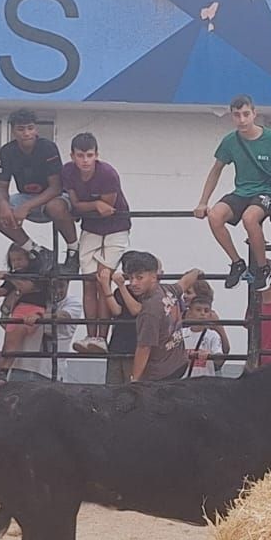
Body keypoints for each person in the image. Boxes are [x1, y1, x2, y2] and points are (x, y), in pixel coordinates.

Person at [195, 94, 271, 290]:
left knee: (250, 218)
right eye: (237, 115)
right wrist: (203, 201)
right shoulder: (230, 141)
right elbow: (216, 169)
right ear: (232, 116)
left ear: (255, 114)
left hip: (270, 191)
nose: (242, 120)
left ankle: (262, 267)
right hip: (243, 191)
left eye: (246, 114)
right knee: (215, 216)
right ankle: (237, 262)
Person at [63, 132, 133, 355]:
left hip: (116, 226)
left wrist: (87, 206)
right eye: (80, 155)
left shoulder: (108, 174)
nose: (85, 160)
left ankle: (102, 338)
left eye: (89, 155)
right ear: (72, 155)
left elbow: (108, 209)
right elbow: (77, 205)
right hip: (90, 227)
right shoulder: (67, 171)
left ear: (97, 155)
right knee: (88, 282)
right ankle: (90, 335)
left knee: (103, 279)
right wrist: (94, 204)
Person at [0, 108, 78, 270]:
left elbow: (56, 188)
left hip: (52, 197)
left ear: (36, 129)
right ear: (13, 131)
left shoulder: (48, 147)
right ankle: (33, 249)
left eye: (30, 128)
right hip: (25, 196)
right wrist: (4, 205)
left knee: (56, 206)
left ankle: (73, 249)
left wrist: (26, 207)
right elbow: (1, 188)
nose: (26, 133)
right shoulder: (7, 151)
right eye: (21, 129)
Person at [123, 252, 188, 381]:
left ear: (154, 277)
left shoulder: (149, 311)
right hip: (178, 363)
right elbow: (185, 282)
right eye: (130, 278)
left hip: (159, 374)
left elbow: (144, 347)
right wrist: (196, 271)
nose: (133, 283)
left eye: (139, 278)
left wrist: (135, 380)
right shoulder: (168, 289)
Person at [0, 244, 48, 379]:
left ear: (29, 258)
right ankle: (1, 373)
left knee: (13, 340)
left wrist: (8, 277)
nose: (16, 263)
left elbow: (27, 287)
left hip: (35, 310)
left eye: (19, 259)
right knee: (9, 343)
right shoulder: (13, 276)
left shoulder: (37, 274)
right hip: (18, 311)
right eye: (13, 260)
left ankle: (2, 373)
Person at [103, 254, 144, 386]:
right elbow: (116, 311)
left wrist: (121, 286)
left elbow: (136, 310)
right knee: (113, 387)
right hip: (118, 344)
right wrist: (105, 285)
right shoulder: (121, 291)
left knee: (132, 388)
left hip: (136, 346)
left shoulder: (146, 292)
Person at [182, 297, 228, 378]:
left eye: (206, 311)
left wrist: (210, 356)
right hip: (184, 381)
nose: (202, 313)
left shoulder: (213, 336)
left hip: (205, 384)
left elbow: (219, 360)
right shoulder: (181, 334)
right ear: (190, 313)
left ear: (210, 314)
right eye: (198, 310)